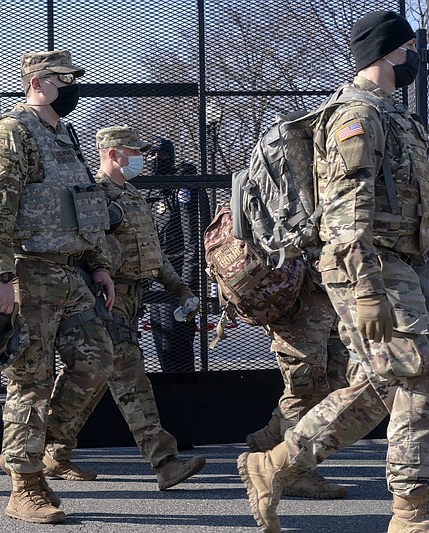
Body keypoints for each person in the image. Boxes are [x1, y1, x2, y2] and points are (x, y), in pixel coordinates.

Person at [238, 11, 429, 532]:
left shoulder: (397, 118)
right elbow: (347, 210)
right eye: (410, 48)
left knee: (376, 387)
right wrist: (364, 287)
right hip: (369, 264)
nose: (415, 59)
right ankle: (411, 512)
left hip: (402, 264)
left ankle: (275, 464)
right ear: (392, 51)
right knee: (418, 376)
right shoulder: (357, 115)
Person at [0, 50, 116, 524]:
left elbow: (82, 204)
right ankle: (25, 485)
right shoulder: (12, 132)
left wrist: (98, 265)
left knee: (97, 361)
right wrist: (1, 274)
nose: (74, 86)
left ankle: (45, 447)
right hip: (28, 271)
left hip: (69, 272)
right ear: (38, 82)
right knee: (28, 381)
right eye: (65, 79)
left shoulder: (66, 134)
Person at [43, 125, 206, 489]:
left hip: (134, 298)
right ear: (113, 154)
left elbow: (153, 253)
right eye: (134, 151)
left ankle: (52, 451)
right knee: (130, 377)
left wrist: (179, 288)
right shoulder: (94, 196)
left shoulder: (132, 195)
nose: (141, 158)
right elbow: (84, 249)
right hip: (105, 299)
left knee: (95, 379)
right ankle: (164, 462)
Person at [247, 285, 352, 500]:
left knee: (334, 379)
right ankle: (294, 473)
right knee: (305, 387)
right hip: (299, 300)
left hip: (327, 297)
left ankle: (270, 437)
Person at [146, 141, 200, 372]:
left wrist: (185, 286)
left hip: (175, 278)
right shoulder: (150, 192)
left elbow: (191, 242)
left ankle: (184, 392)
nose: (156, 159)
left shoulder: (181, 190)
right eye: (151, 155)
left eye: (162, 154)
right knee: (161, 341)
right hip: (152, 279)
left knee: (177, 344)